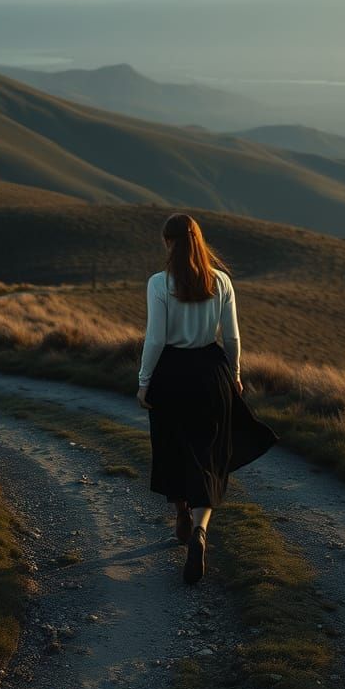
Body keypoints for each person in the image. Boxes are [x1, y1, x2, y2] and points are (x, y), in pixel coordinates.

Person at [136, 212, 279, 585]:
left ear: (168, 243)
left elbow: (154, 339)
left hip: (170, 375)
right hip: (211, 374)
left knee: (171, 448)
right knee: (207, 454)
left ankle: (180, 510)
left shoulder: (158, 283)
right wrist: (233, 375)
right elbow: (232, 339)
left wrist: (143, 382)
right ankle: (200, 530)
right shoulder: (222, 281)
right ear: (199, 241)